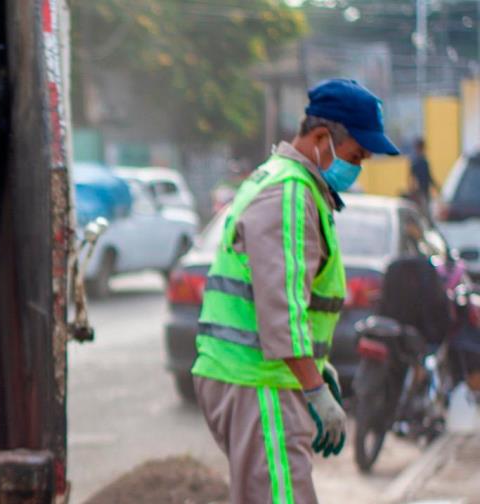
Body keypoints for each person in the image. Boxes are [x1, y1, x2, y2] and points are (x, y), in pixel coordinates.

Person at [191, 79, 400, 504]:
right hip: (259, 382)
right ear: (322, 138)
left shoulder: (284, 183)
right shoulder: (290, 193)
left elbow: (282, 297)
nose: (357, 168)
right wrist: (315, 391)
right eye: (355, 156)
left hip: (256, 379)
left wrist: (316, 369)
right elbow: (280, 310)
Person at [409, 138, 437, 209]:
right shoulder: (415, 162)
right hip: (419, 193)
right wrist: (413, 192)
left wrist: (436, 186)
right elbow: (411, 178)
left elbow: (429, 177)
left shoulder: (424, 161)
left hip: (425, 192)